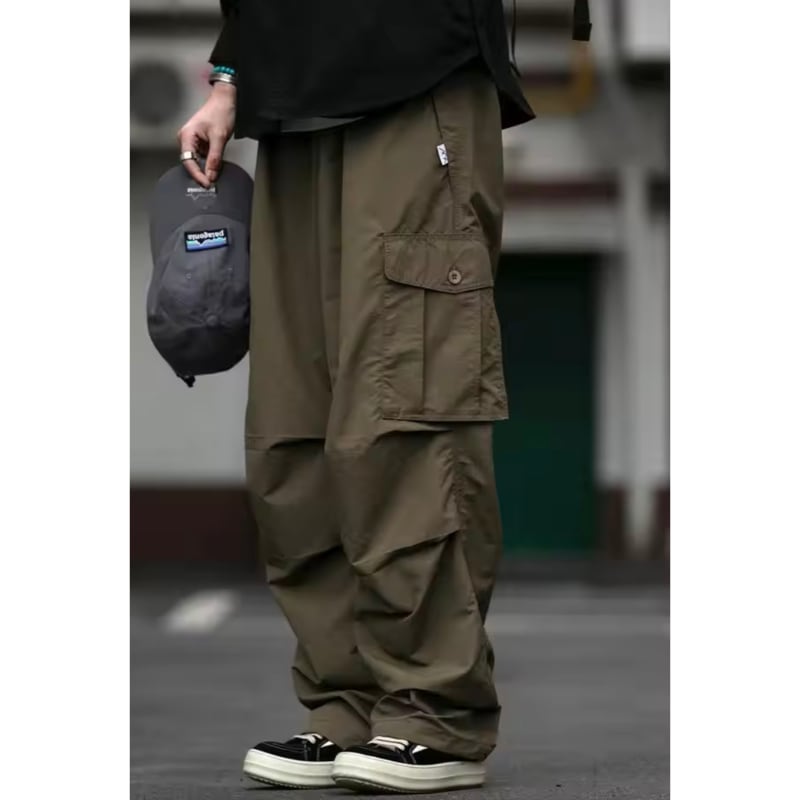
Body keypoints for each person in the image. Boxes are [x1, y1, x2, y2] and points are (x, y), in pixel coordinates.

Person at [177, 0, 590, 793]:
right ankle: (348, 704)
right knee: (293, 433)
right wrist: (230, 78)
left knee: (403, 410)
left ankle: (436, 711)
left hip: (415, 79)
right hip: (291, 106)